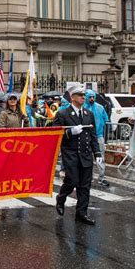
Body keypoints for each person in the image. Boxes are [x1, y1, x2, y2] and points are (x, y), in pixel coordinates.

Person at [53, 84, 101, 225]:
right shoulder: (62, 114)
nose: (83, 97)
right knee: (72, 181)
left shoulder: (88, 114)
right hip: (71, 154)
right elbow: (55, 134)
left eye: (84, 95)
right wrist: (69, 132)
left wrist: (97, 153)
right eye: (80, 95)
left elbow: (92, 135)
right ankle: (61, 198)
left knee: (85, 186)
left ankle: (82, 213)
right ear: (72, 97)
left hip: (85, 154)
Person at [83, 90, 110, 187]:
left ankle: (102, 177)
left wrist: (105, 135)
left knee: (100, 157)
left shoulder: (100, 107)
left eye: (93, 97)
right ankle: (87, 178)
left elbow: (106, 120)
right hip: (85, 137)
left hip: (98, 136)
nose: (91, 99)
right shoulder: (82, 108)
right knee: (86, 158)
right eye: (89, 97)